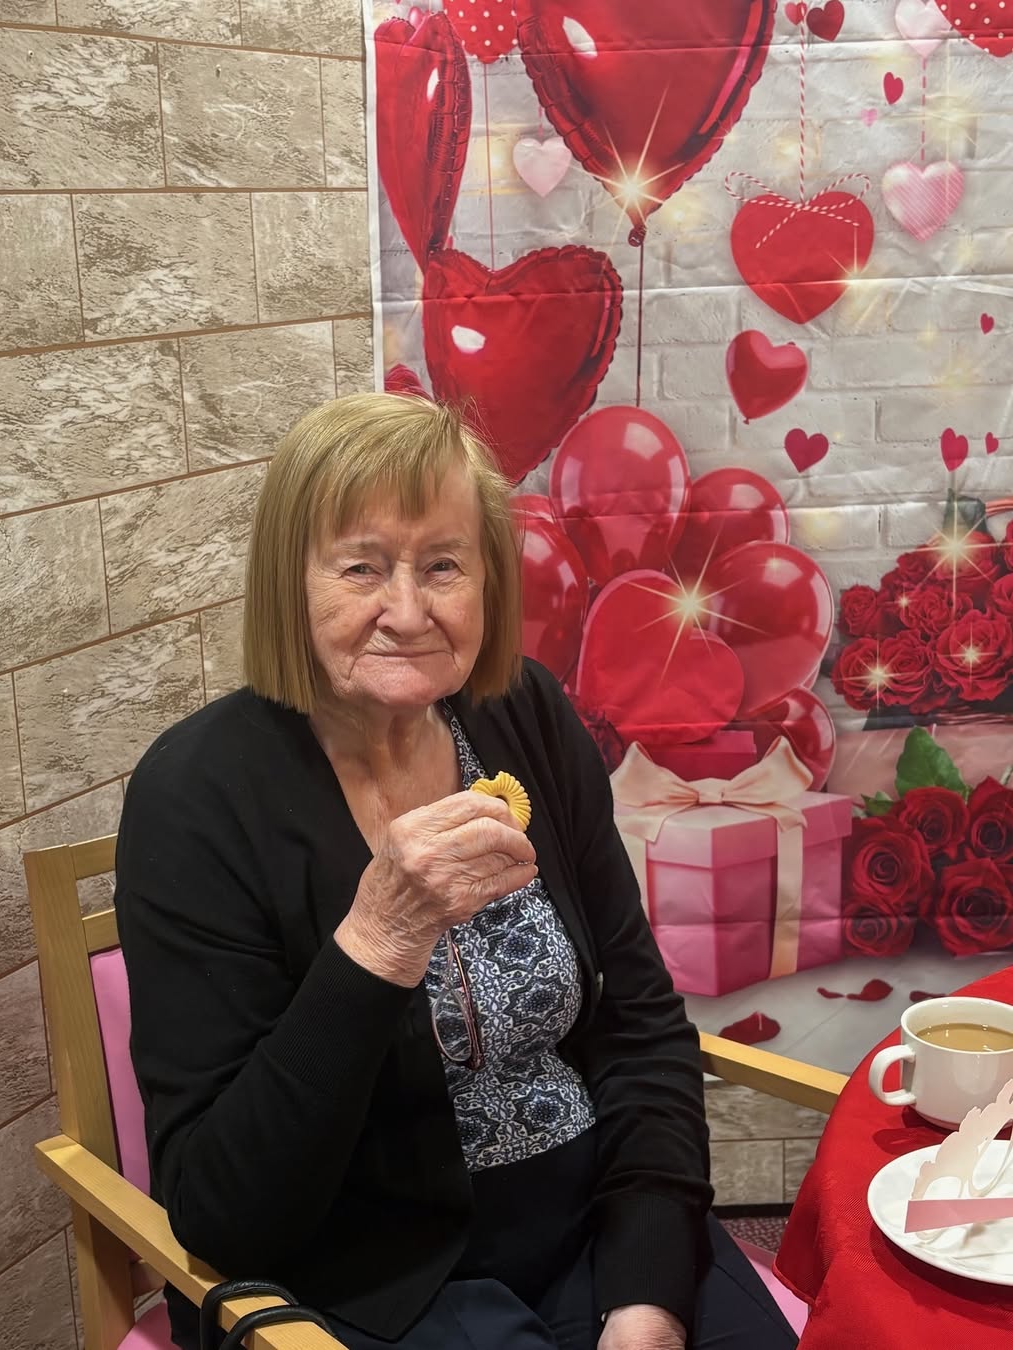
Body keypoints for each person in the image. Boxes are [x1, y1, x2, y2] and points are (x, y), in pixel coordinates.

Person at [114, 393, 797, 1350]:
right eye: (361, 567)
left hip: (595, 1222)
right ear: (289, 583)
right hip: (371, 1274)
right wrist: (379, 940)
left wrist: (645, 1296)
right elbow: (222, 1208)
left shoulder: (526, 716)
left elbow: (639, 1027)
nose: (408, 610)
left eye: (444, 564)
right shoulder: (197, 798)